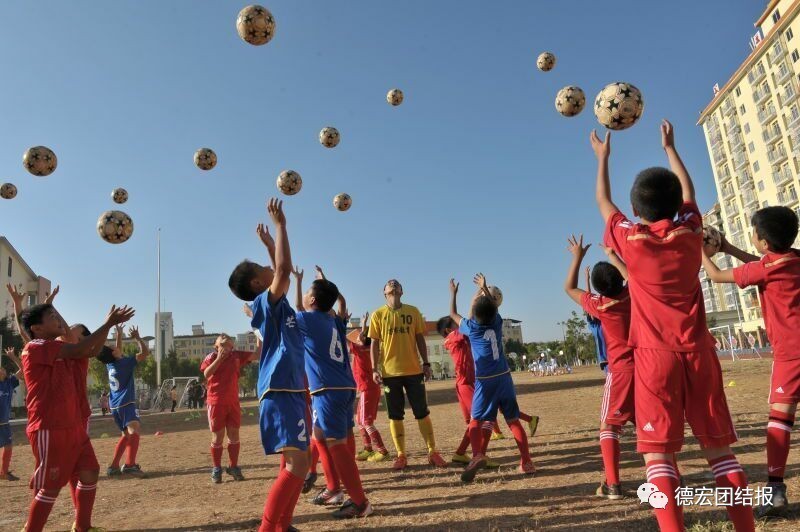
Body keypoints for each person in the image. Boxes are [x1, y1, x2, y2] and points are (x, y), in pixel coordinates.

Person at [593, 120, 753, 531]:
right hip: (700, 353)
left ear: (638, 210)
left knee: (659, 457)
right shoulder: (690, 233)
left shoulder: (632, 240)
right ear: (676, 205)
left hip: (654, 359)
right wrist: (670, 149)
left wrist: (602, 158)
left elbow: (604, 204)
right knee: (720, 453)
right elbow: (690, 193)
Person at [700, 206, 800, 516]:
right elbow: (762, 265)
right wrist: (728, 247)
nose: (752, 237)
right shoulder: (794, 257)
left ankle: (774, 488)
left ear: (764, 242)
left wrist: (698, 250)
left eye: (753, 233)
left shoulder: (766, 268)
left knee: (780, 420)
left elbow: (716, 276)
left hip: (791, 355)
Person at [228, 198, 309, 531]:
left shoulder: (271, 302)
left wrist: (270, 244)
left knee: (298, 464)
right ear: (258, 285)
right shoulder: (265, 301)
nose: (269, 267)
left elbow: (278, 271)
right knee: (298, 465)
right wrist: (280, 226)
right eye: (263, 270)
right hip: (279, 388)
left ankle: (283, 524)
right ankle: (267, 527)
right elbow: (283, 270)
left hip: (289, 387)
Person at [18, 302, 134, 532]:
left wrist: (108, 327)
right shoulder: (36, 346)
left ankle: (82, 526)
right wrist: (109, 323)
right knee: (51, 486)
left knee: (90, 471)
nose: (59, 320)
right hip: (50, 427)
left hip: (74, 426)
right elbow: (78, 346)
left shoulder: (65, 350)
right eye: (52, 317)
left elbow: (86, 349)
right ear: (37, 328)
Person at [294, 265, 373, 518]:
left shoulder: (309, 319)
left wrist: (297, 282)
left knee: (336, 444)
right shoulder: (334, 322)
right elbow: (331, 306)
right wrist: (325, 285)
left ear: (313, 300)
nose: (305, 295)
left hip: (328, 389)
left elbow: (298, 308)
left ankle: (360, 503)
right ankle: (333, 489)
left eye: (308, 292)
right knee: (320, 437)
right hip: (344, 387)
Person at [564, 234, 634, 500]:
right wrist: (614, 256)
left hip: (621, 373)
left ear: (597, 289)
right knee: (651, 427)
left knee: (609, 428)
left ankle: (613, 484)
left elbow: (570, 288)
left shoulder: (602, 305)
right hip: (649, 369)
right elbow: (634, 278)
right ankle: (669, 476)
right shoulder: (635, 294)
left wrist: (577, 257)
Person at [449, 274, 534, 482]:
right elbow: (493, 309)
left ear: (474, 314)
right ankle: (527, 462)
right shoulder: (497, 322)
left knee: (476, 421)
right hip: (504, 377)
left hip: (485, 381)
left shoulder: (472, 328)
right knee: (513, 420)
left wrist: (455, 294)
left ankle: (477, 454)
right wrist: (485, 288)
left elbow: (453, 313)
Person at [368, 279, 446, 470]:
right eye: (389, 284)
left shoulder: (413, 311)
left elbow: (420, 338)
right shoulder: (377, 315)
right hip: (389, 373)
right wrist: (373, 369)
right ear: (384, 292)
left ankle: (432, 452)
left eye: (397, 284)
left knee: (422, 412)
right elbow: (374, 344)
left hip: (413, 371)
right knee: (395, 416)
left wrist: (426, 364)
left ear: (402, 291)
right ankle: (401, 455)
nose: (393, 285)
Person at [200, 333, 258, 484]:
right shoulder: (211, 357)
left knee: (234, 436)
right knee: (218, 437)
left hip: (233, 402)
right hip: (216, 403)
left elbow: (258, 353)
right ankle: (217, 468)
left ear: (232, 346)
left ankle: (233, 466)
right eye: (221, 340)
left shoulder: (237, 356)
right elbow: (207, 373)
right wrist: (220, 358)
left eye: (228, 342)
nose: (225, 337)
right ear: (216, 346)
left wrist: (259, 333)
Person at [98, 324, 150, 478]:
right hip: (126, 402)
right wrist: (138, 338)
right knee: (134, 430)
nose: (115, 346)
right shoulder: (125, 363)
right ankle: (130, 465)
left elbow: (117, 350)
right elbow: (145, 353)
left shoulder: (110, 364)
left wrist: (119, 334)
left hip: (114, 405)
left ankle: (113, 466)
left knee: (125, 435)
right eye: (113, 347)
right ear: (114, 353)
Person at [347, 312, 389, 463]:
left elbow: (357, 339)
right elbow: (361, 338)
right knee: (360, 420)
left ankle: (382, 451)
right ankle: (368, 448)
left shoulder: (359, 350)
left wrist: (363, 325)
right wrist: (364, 325)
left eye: (361, 337)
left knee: (366, 422)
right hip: (368, 388)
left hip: (368, 388)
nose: (358, 338)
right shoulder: (368, 350)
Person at [0, 347, 22, 481]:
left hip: (4, 423)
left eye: (2, 368)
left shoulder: (9, 383)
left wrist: (13, 357)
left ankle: (4, 472)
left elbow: (24, 369)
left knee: (8, 447)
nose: (2, 369)